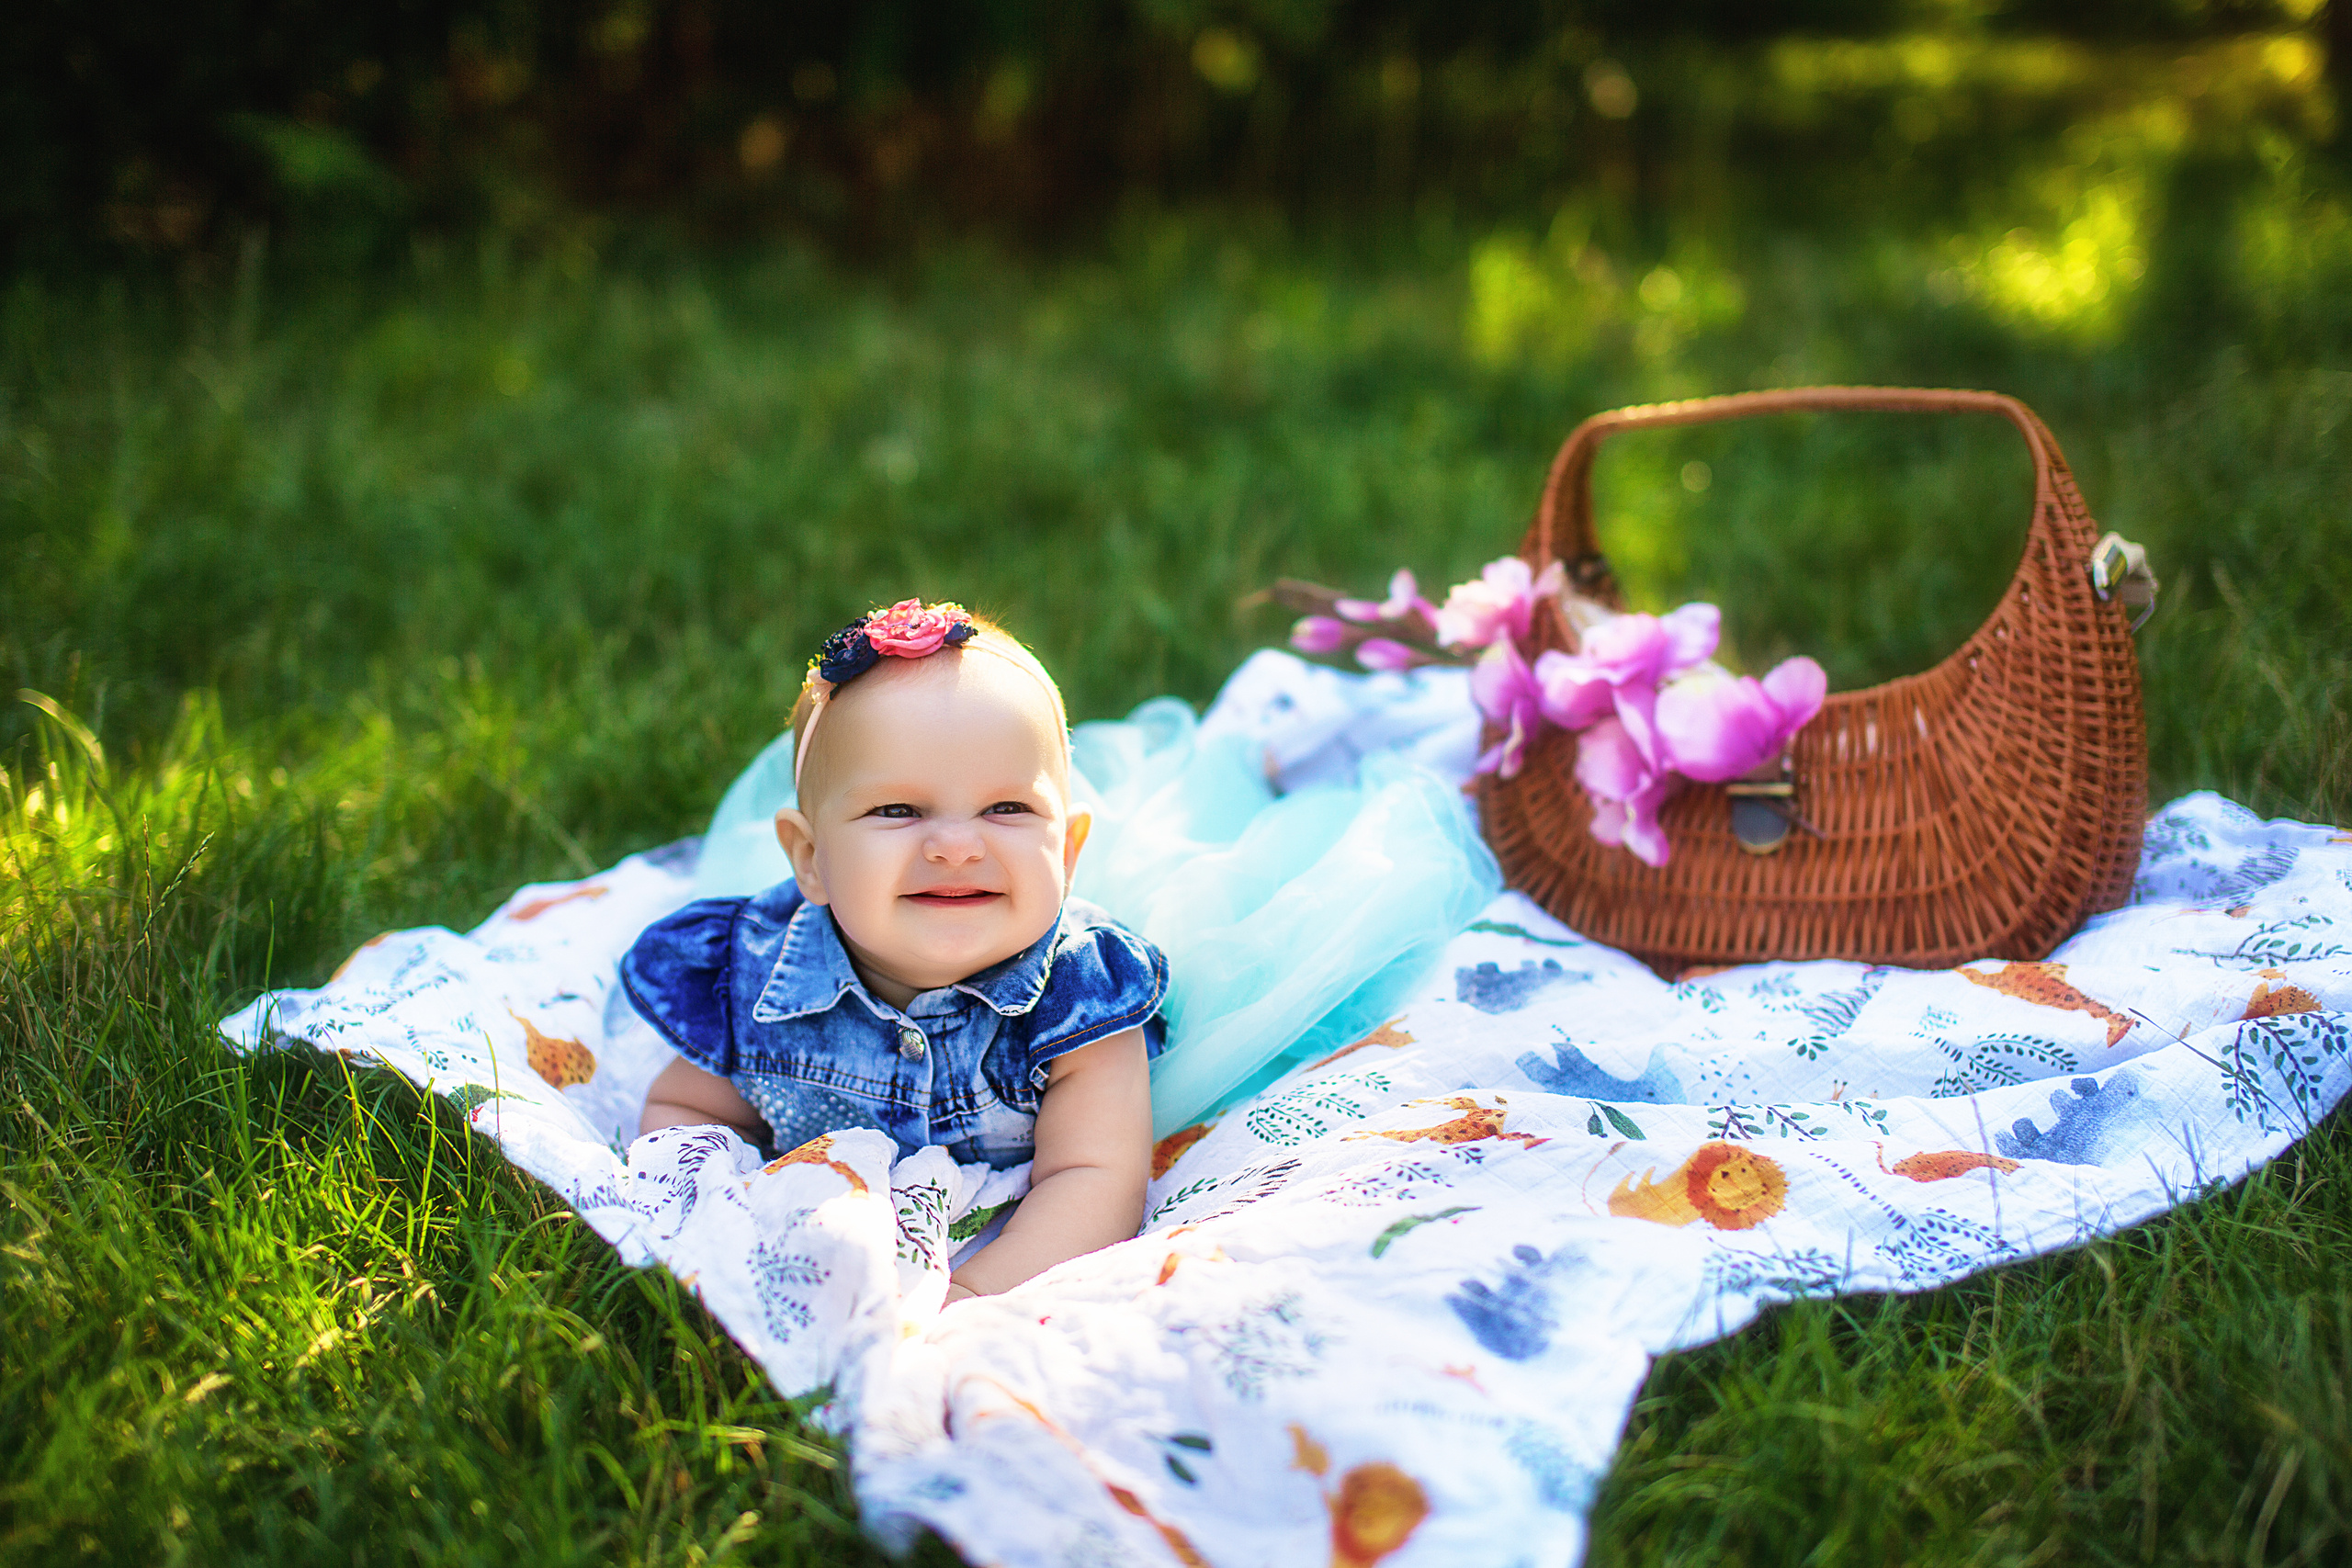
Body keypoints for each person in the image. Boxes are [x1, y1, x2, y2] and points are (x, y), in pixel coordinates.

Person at [621, 599, 1166, 1301]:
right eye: (898, 810)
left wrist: (973, 1295)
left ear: (1066, 851)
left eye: (1007, 808)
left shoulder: (1081, 996)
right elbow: (684, 1108)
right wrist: (728, 1222)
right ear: (811, 859)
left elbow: (1095, 1177)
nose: (955, 845)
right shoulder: (757, 982)